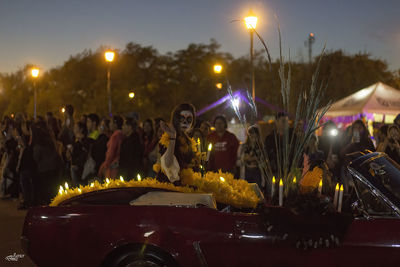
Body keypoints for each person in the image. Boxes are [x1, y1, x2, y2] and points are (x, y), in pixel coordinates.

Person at [158, 103, 198, 183]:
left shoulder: (189, 141)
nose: (185, 122)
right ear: (176, 119)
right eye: (181, 118)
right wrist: (173, 137)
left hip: (184, 184)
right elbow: (168, 164)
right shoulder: (167, 137)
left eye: (189, 119)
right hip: (168, 185)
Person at [31, 124, 62, 204]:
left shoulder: (38, 145)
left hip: (43, 169)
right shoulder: (50, 141)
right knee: (52, 188)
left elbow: (36, 157)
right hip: (53, 168)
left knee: (46, 189)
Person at [264, 112, 295, 177]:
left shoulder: (293, 137)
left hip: (290, 172)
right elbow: (266, 155)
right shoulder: (270, 138)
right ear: (276, 122)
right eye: (283, 121)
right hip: (275, 172)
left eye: (287, 121)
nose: (286, 124)